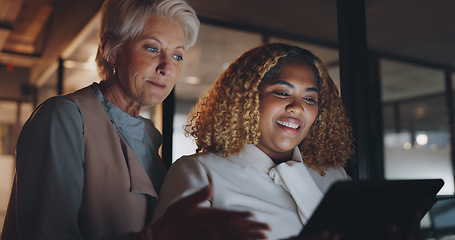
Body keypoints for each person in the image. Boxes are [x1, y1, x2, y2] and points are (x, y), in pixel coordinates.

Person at [1, 0, 269, 239]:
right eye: (152, 48)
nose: (166, 68)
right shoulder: (64, 117)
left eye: (177, 55)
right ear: (111, 49)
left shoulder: (148, 133)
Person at [153, 43, 356, 239]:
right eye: (282, 93)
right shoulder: (200, 172)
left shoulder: (335, 177)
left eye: (310, 99)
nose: (297, 107)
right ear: (247, 99)